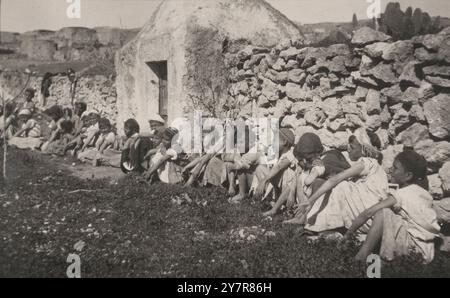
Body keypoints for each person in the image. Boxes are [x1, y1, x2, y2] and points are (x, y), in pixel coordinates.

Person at [345, 150, 441, 264]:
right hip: (427, 252)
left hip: (413, 250)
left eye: (395, 168)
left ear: (408, 176)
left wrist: (348, 234)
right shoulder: (424, 194)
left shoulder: (400, 194)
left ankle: (359, 260)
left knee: (383, 213)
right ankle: (384, 265)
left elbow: (368, 212)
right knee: (392, 215)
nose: (390, 170)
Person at [288, 129, 389, 234]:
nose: (348, 149)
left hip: (369, 211)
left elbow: (336, 179)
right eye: (349, 146)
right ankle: (315, 222)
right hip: (371, 210)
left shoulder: (366, 163)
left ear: (364, 150)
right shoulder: (372, 166)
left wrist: (310, 201)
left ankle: (316, 224)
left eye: (352, 147)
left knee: (341, 186)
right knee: (337, 185)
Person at [263, 132, 350, 218]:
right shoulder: (311, 161)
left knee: (306, 181)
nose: (301, 163)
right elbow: (297, 175)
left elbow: (307, 181)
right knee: (294, 182)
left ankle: (302, 217)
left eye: (302, 160)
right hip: (311, 194)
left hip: (331, 200)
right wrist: (292, 192)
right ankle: (274, 210)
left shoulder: (326, 161)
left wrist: (298, 181)